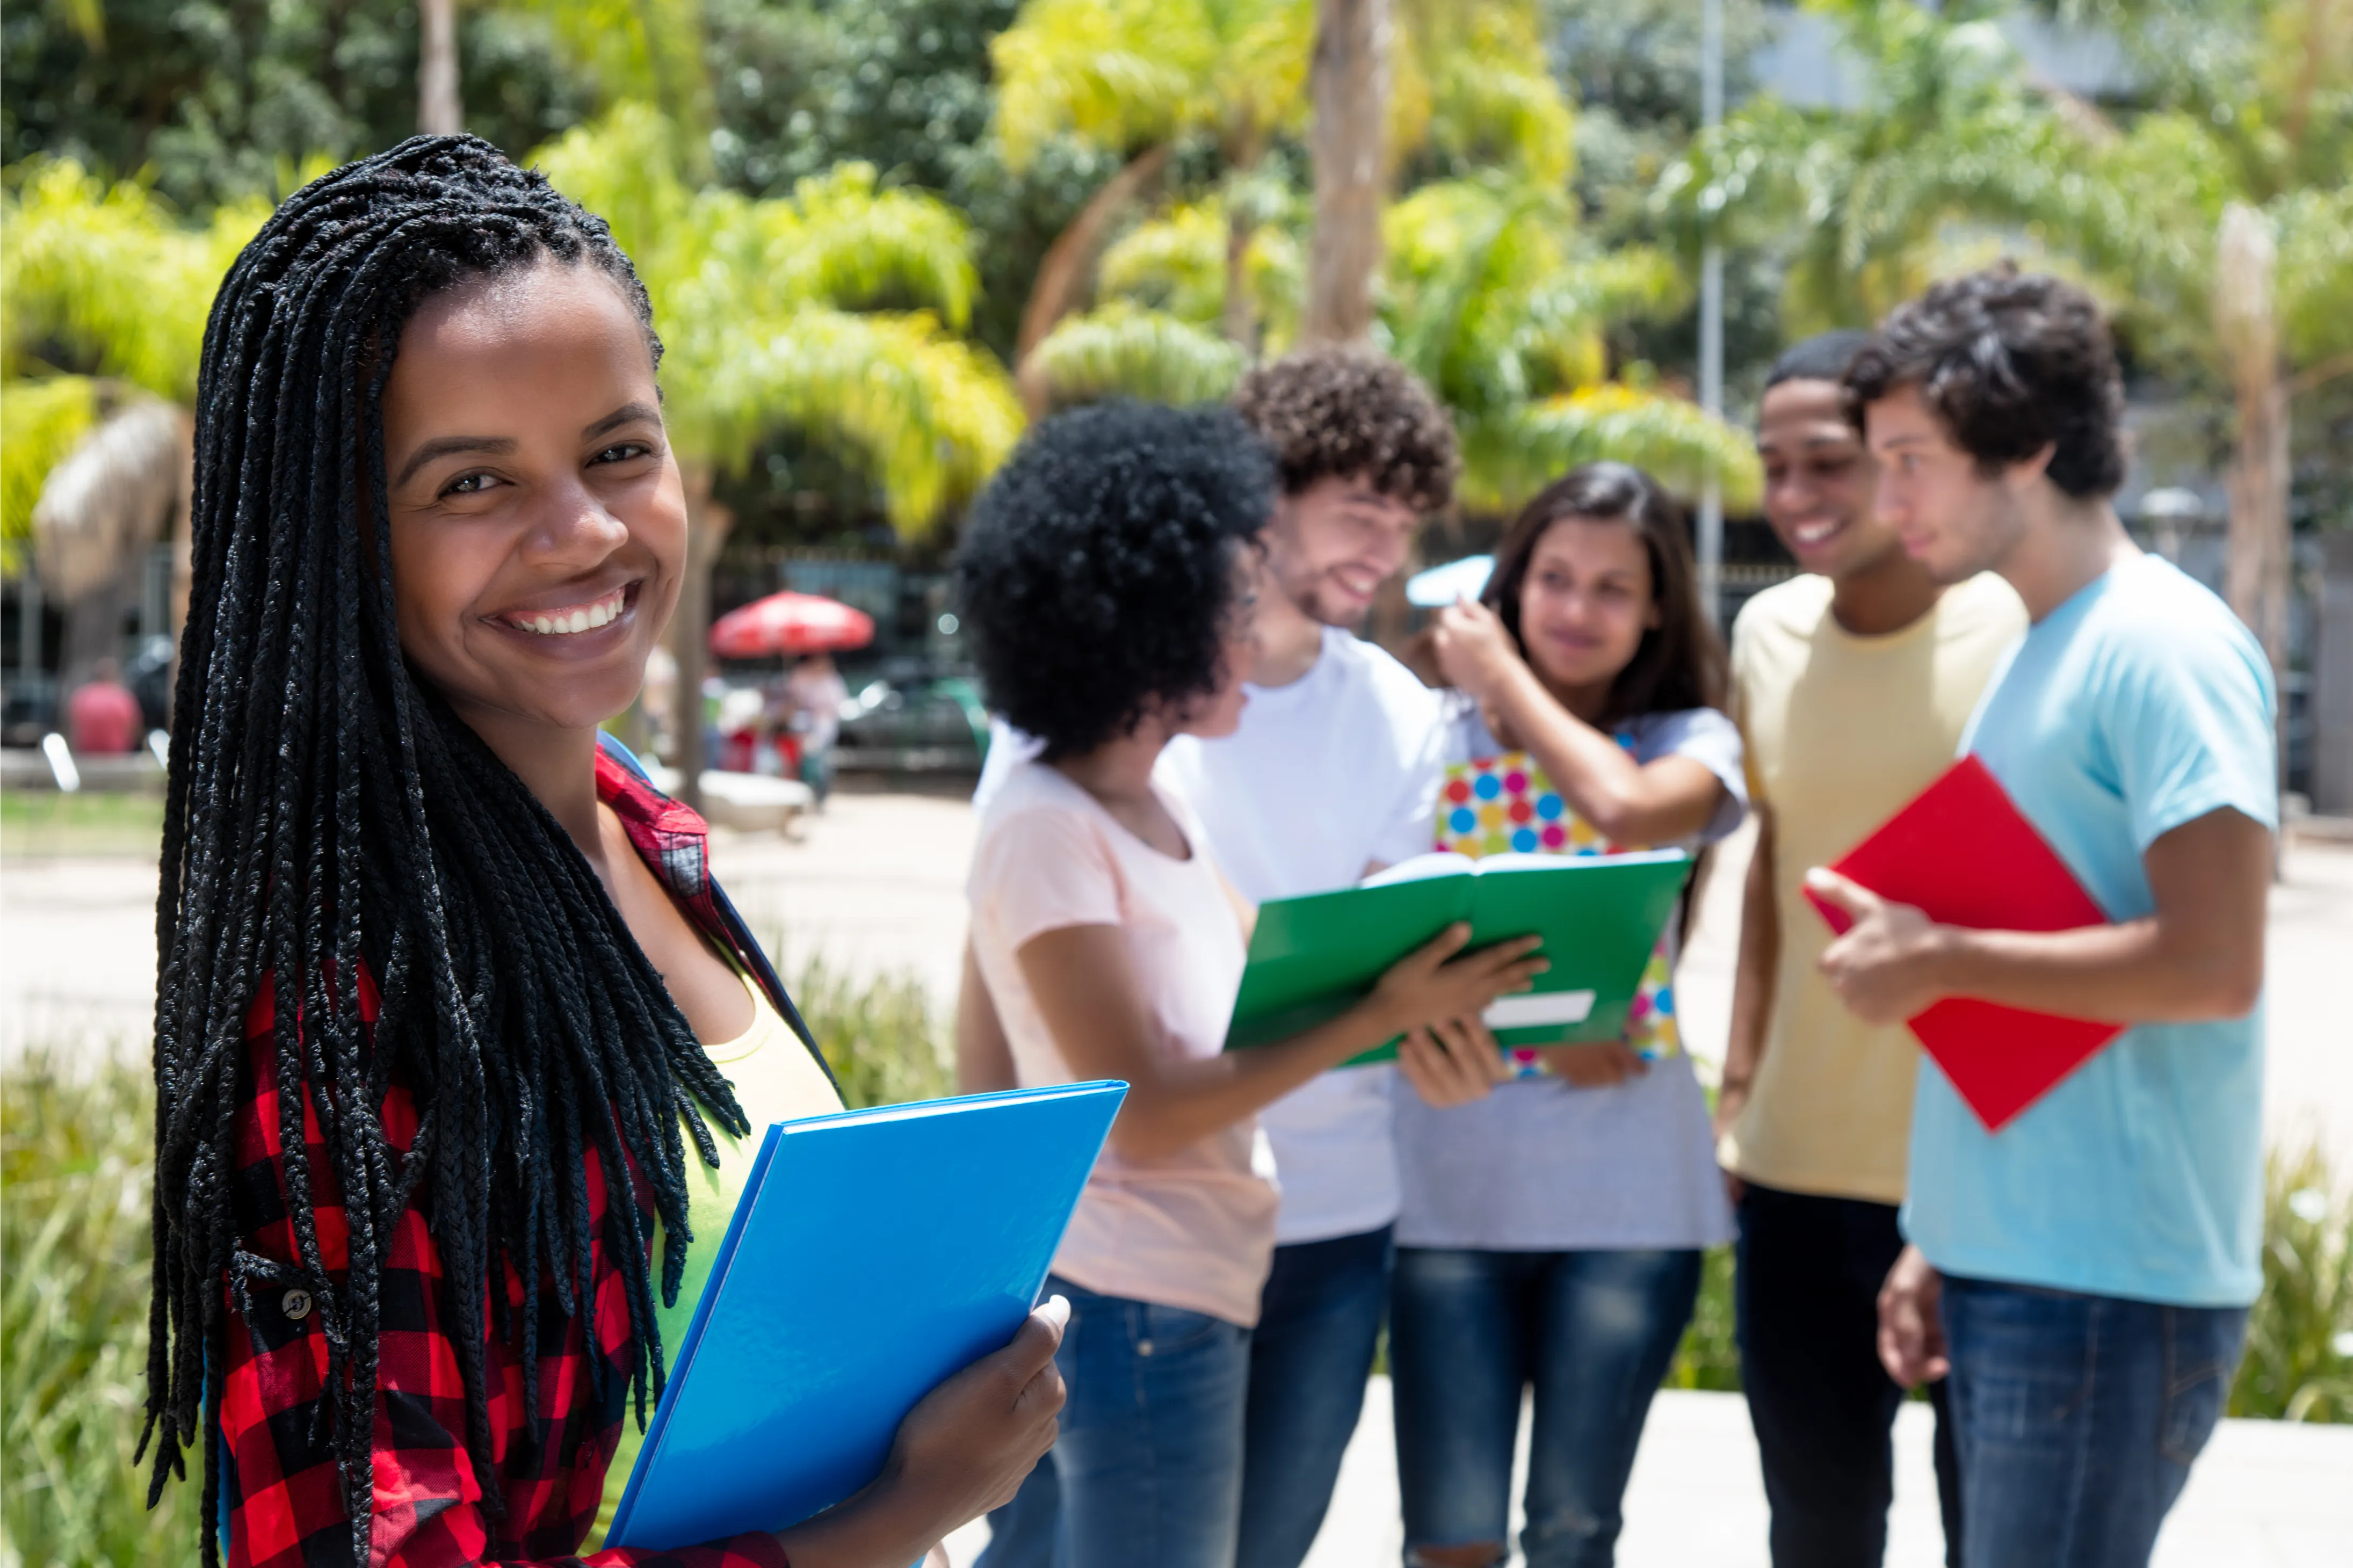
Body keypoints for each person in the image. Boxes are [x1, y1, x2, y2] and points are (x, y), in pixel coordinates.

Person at [142, 137, 1066, 1568]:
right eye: (469, 485)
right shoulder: (345, 1004)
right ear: (340, 543)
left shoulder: (641, 824)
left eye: (620, 451)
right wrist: (893, 1519)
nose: (583, 533)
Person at [958, 399, 1545, 1568]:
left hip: (1194, 1283)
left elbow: (1274, 989)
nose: (1252, 635)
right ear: (1147, 628)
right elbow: (1155, 1101)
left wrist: (1431, 985)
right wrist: (1386, 1010)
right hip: (1132, 1295)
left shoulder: (1158, 802)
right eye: (1229, 607)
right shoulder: (1045, 820)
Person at [1820, 266, 2274, 1568]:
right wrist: (1937, 1235)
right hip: (2019, 1267)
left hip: (2102, 1284)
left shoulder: (2158, 647)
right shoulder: (2033, 648)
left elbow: (2210, 964)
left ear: (2025, 445)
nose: (1882, 499)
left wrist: (1936, 957)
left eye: (1909, 460)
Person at [1395, 462, 1749, 1568]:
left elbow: (1624, 805)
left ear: (1656, 610)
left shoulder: (1692, 739)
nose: (1575, 608)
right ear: (1510, 583)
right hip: (1444, 1194)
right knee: (1449, 1539)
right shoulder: (1422, 729)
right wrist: (1546, 1027)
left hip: (1628, 1204)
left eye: (1611, 586)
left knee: (1573, 1530)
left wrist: (1501, 671)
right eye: (1551, 576)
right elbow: (1377, 937)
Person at [1717, 331, 2024, 1566]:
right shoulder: (1763, 636)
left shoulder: (2012, 634)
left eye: (1827, 464)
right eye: (1771, 465)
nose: (1792, 497)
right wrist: (1734, 1100)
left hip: (1969, 1186)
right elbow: (1772, 872)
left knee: (1985, 1537)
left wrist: (1965, 1190)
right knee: (1816, 1536)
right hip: (1789, 1177)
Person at [787, 651, 849, 804]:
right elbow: (793, 698)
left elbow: (839, 705)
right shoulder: (803, 677)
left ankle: (820, 796)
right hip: (804, 728)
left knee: (822, 765)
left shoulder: (833, 681)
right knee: (803, 763)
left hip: (824, 729)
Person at [66, 655, 144, 753]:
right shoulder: (122, 698)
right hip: (116, 755)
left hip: (86, 755)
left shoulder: (82, 696)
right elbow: (134, 729)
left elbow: (73, 728)